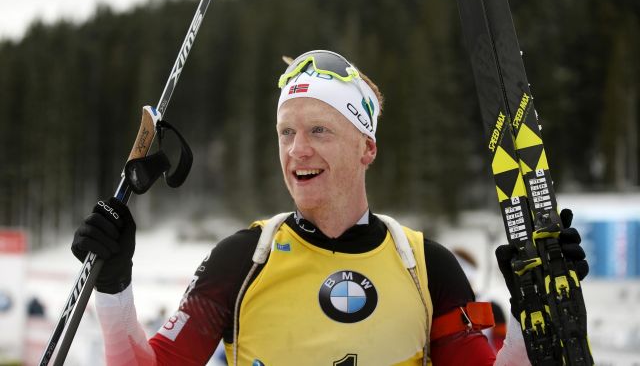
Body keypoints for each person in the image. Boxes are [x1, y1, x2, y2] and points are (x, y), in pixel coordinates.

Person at [72, 50, 589, 365]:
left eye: (320, 130)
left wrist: (534, 314)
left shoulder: (427, 267)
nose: (297, 150)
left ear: (367, 148)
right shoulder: (242, 259)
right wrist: (114, 286)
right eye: (286, 133)